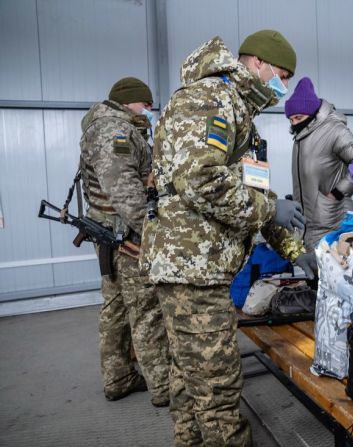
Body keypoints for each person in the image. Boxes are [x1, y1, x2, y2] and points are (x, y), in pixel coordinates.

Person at [140, 31, 317, 446]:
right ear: (257, 64)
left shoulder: (237, 109)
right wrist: (270, 209)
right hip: (191, 268)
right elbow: (200, 180)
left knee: (189, 375)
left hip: (203, 267)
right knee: (217, 385)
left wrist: (294, 249)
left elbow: (248, 193)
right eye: (282, 75)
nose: (284, 87)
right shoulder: (208, 99)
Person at [79, 77, 170, 406]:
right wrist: (154, 235)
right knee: (146, 310)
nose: (148, 109)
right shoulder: (114, 131)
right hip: (126, 236)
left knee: (115, 308)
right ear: (129, 100)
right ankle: (163, 387)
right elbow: (125, 192)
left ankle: (118, 377)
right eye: (145, 103)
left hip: (111, 233)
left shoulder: (110, 126)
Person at [285, 77, 353, 252]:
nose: (295, 123)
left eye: (299, 117)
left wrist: (337, 193)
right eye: (291, 119)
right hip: (307, 227)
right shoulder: (301, 137)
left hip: (333, 224)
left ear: (312, 113)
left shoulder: (335, 130)